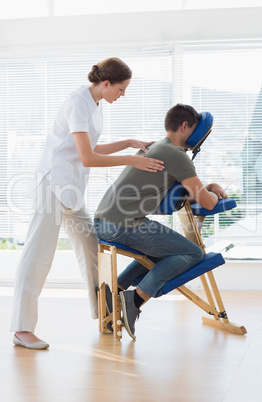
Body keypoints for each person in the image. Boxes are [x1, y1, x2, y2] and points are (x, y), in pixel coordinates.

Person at [11, 57, 165, 349]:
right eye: (121, 89)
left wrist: (129, 142)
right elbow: (88, 158)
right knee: (38, 256)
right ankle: (22, 328)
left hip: (70, 188)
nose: (122, 95)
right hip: (52, 184)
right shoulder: (77, 102)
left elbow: (91, 147)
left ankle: (104, 313)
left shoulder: (95, 105)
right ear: (105, 83)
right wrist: (132, 160)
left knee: (91, 247)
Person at [94, 104, 228, 340]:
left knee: (168, 250)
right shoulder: (177, 154)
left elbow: (177, 190)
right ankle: (134, 300)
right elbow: (207, 203)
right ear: (185, 126)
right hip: (123, 224)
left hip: (106, 221)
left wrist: (204, 188)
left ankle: (115, 289)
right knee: (193, 253)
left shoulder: (158, 147)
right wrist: (216, 191)